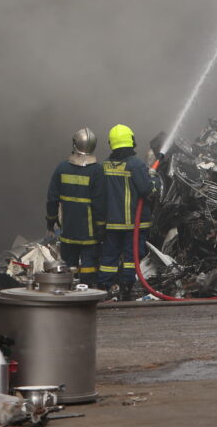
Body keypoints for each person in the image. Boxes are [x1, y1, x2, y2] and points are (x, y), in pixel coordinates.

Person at [97, 123, 157, 300]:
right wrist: (154, 181)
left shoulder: (105, 165)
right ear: (131, 140)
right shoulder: (136, 165)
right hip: (134, 224)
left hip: (112, 223)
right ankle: (126, 288)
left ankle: (104, 287)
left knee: (109, 257)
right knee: (132, 257)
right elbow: (147, 191)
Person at [45, 128, 105, 287]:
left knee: (68, 268)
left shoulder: (62, 168)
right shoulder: (97, 170)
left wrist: (51, 222)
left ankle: (67, 292)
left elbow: (52, 199)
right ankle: (87, 292)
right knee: (89, 268)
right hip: (89, 233)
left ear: (75, 144)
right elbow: (99, 203)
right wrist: (101, 228)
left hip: (68, 230)